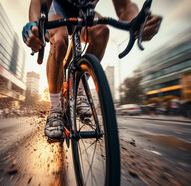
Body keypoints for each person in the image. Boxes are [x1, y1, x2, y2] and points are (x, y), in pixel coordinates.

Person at [22, 0, 162, 140]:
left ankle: (79, 89)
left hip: (85, 12)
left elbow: (124, 7)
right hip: (56, 9)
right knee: (59, 41)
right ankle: (55, 108)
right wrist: (35, 27)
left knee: (102, 31)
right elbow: (39, 2)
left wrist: (138, 22)